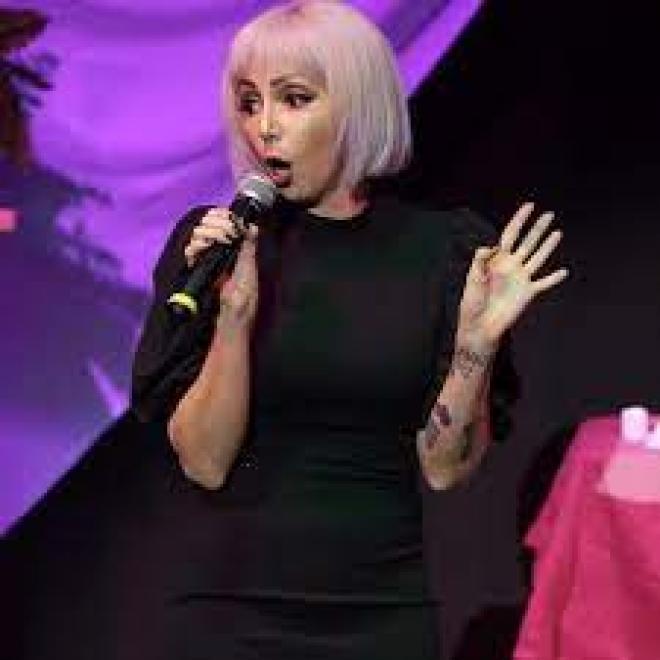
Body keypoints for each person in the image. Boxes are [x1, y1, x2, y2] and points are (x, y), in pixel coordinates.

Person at [131, 1, 568, 658]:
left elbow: (444, 469)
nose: (264, 126)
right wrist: (235, 316)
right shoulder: (217, 248)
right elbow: (206, 461)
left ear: (357, 107)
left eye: (294, 99)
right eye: (248, 102)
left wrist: (475, 347)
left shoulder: (444, 252)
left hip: (380, 615)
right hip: (229, 615)